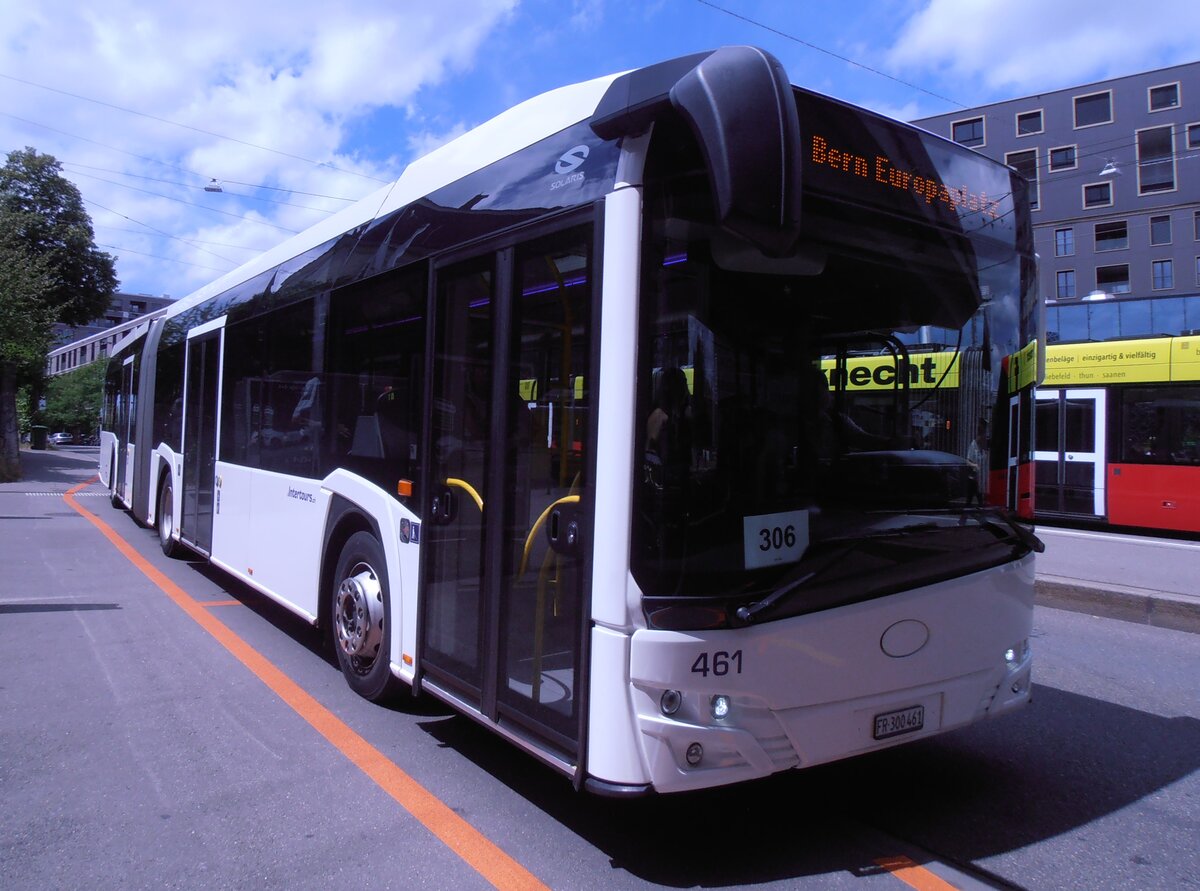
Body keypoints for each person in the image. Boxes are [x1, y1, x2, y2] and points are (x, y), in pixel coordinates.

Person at [966, 421, 989, 506]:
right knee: (971, 498)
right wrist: (975, 465)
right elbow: (968, 461)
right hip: (973, 477)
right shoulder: (973, 445)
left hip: (981, 478)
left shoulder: (984, 447)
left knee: (979, 498)